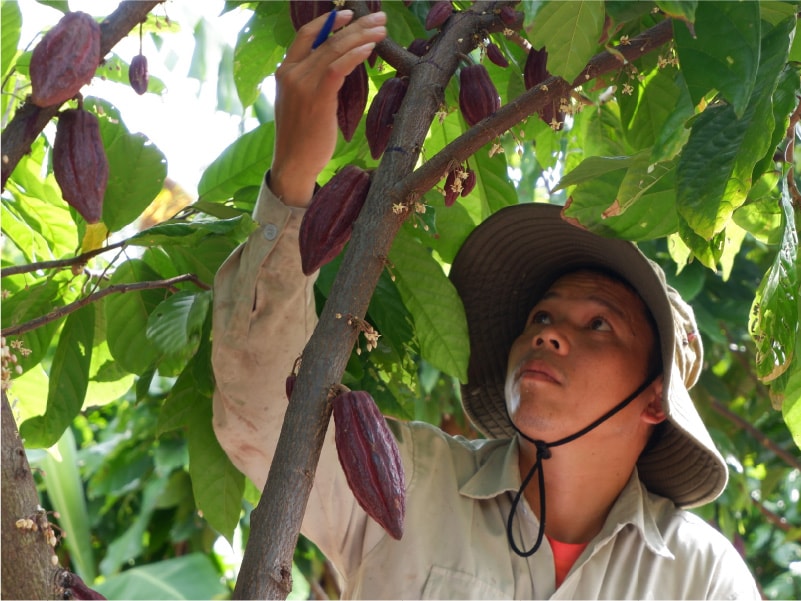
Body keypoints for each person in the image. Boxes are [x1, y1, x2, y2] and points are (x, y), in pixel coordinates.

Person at [211, 10, 761, 599]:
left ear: (655, 398)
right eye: (541, 317)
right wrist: (294, 177)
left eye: (599, 324)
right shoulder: (415, 482)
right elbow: (260, 413)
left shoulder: (701, 577)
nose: (548, 335)